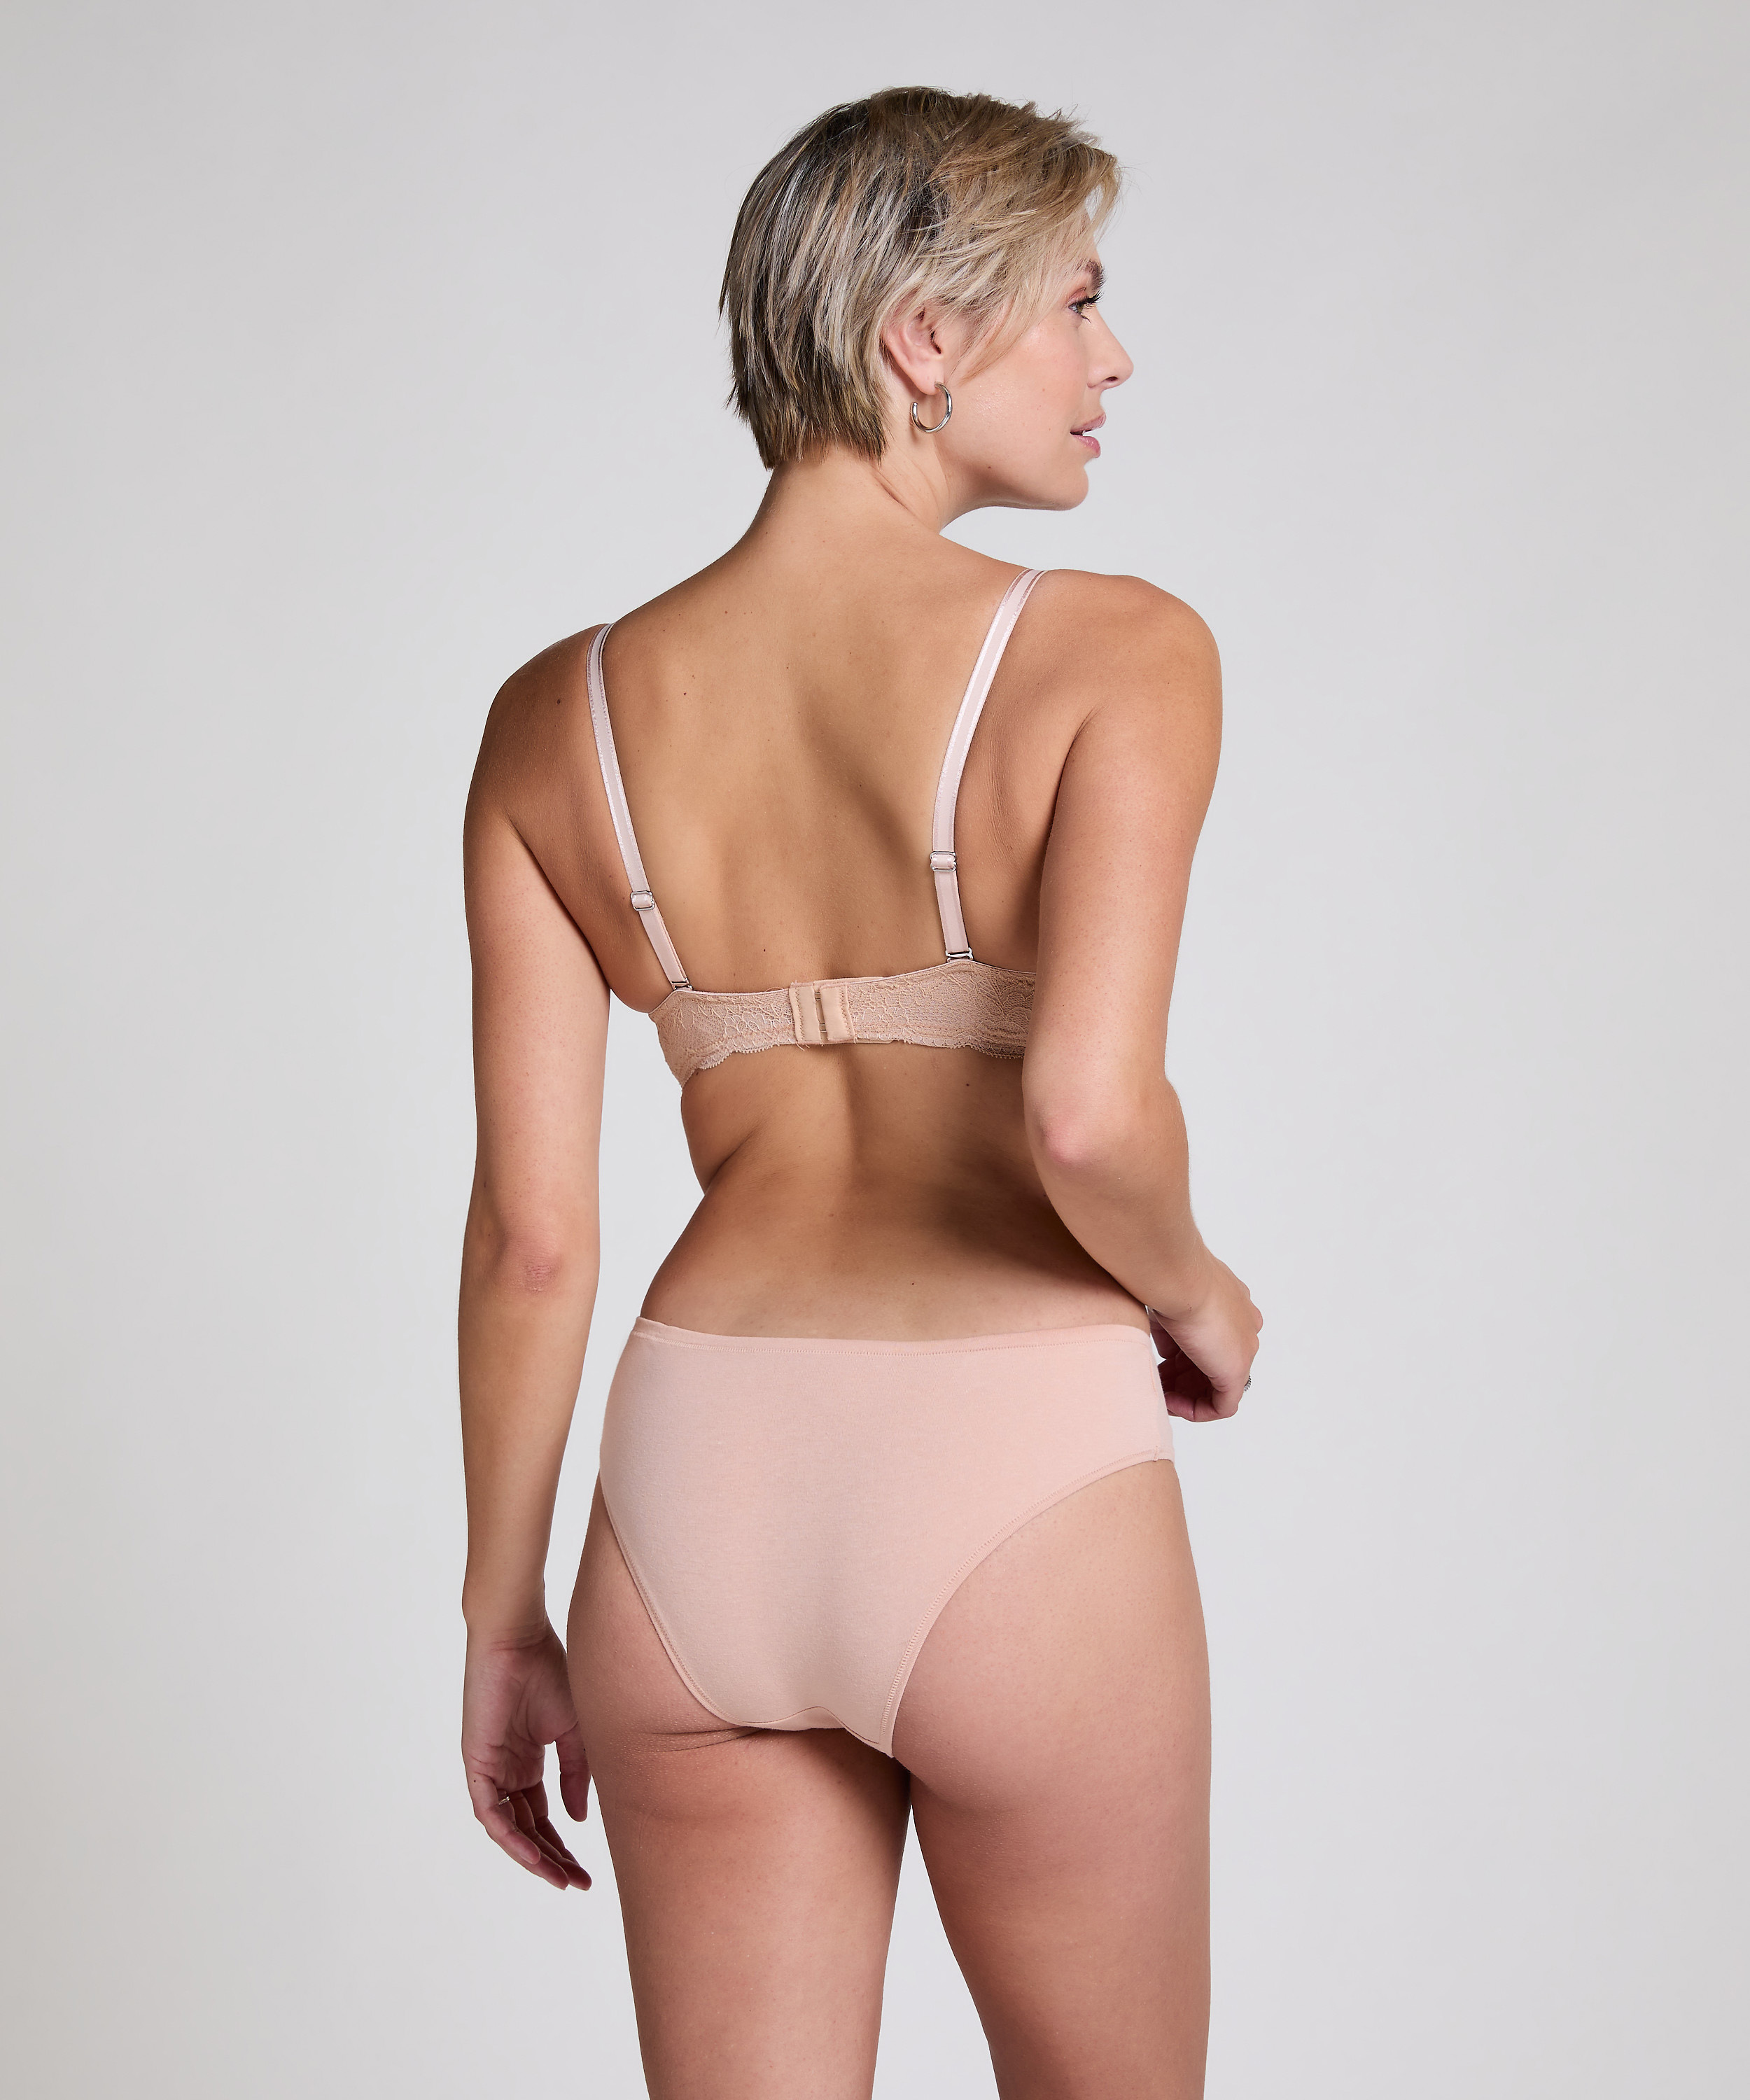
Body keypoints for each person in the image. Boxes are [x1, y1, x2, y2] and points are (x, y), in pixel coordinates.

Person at [457, 85, 1261, 2100]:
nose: (1111, 361)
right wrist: (1200, 1294)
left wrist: (502, 1612)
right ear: (923, 340)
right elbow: (1087, 1118)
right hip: (1009, 1467)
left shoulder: (553, 719)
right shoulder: (1119, 655)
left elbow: (536, 1239)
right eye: (1076, 302)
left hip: (690, 1503)